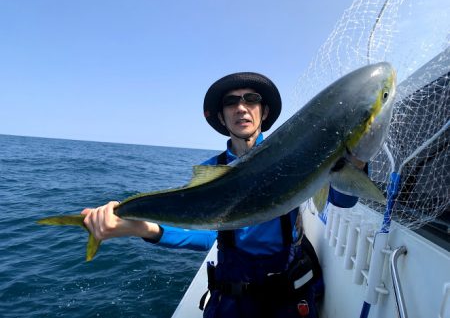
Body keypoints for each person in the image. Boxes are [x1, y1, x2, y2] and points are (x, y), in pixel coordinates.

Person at [82, 72, 365, 318]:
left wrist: (356, 158)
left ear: (263, 112)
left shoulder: (290, 155)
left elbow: (344, 200)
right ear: (221, 117)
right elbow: (208, 234)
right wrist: (140, 228)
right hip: (232, 300)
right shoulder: (211, 172)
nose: (241, 108)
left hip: (287, 295)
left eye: (251, 99)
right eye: (231, 102)